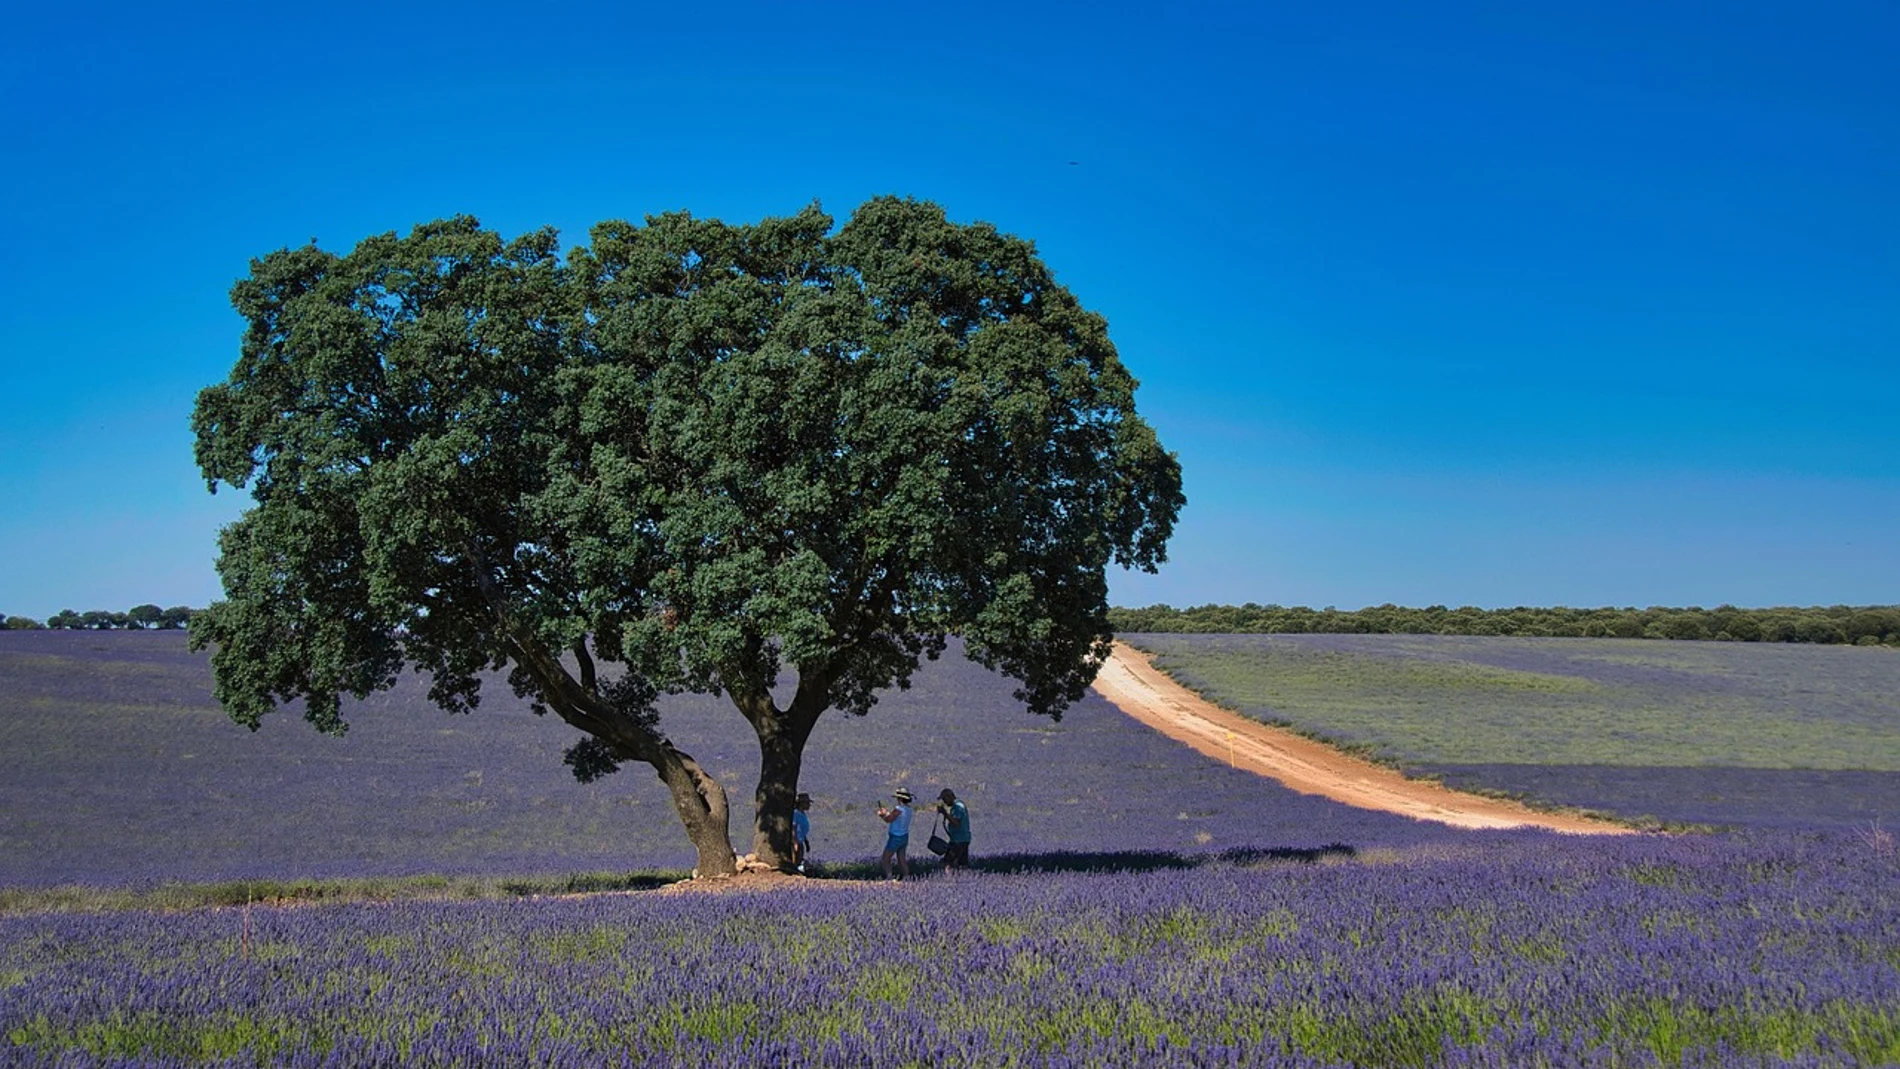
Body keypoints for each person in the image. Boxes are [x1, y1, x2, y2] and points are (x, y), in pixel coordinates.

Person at [876, 788, 914, 881]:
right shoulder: (909, 809)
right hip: (904, 836)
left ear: (900, 799)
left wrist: (882, 815)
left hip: (896, 837)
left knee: (886, 858)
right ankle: (906, 877)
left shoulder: (898, 809)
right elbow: (895, 817)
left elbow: (889, 819)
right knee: (901, 859)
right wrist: (887, 813)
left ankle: (889, 877)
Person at [936, 788, 972, 870]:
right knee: (961, 865)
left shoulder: (958, 807)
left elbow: (956, 823)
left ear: (950, 797)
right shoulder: (957, 806)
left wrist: (945, 813)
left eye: (945, 799)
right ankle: (962, 880)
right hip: (961, 839)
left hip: (958, 841)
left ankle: (949, 881)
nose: (944, 802)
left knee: (947, 863)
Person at [792, 792, 812, 873]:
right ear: (801, 804)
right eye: (807, 803)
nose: (809, 805)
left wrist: (806, 841)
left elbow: (801, 829)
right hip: (797, 841)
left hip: (801, 840)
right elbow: (793, 828)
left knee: (800, 859)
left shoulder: (802, 814)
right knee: (796, 860)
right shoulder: (796, 814)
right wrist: (795, 842)